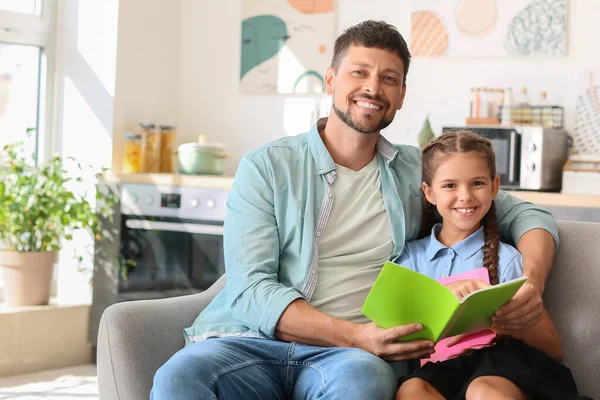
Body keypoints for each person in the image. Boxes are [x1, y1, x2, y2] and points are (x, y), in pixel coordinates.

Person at [151, 20, 560, 399]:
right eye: (359, 72)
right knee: (178, 376)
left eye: (389, 79)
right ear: (330, 80)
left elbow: (523, 215)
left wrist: (531, 283)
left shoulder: (416, 171)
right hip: (247, 340)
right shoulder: (267, 167)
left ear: (400, 95)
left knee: (364, 380)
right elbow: (251, 288)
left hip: (348, 361)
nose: (373, 88)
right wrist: (356, 335)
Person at [394, 131, 580, 400]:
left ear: (494, 187)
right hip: (441, 371)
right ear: (429, 192)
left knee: (482, 392)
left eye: (477, 183)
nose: (465, 196)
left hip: (502, 368)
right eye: (450, 186)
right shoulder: (410, 259)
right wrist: (440, 295)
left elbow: (552, 346)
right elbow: (392, 326)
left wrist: (498, 321)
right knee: (410, 391)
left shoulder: (508, 260)